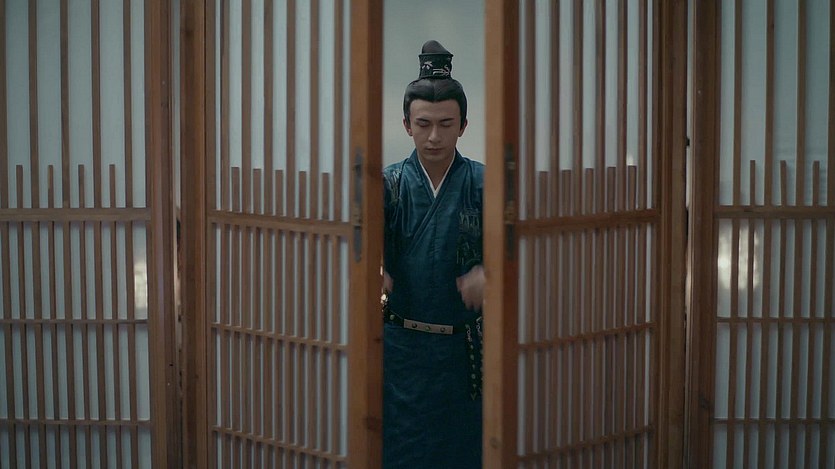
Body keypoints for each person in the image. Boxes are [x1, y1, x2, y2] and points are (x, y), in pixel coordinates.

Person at [382, 40, 485, 469]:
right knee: (402, 450)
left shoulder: (484, 183)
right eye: (423, 124)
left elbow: (522, 251)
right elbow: (362, 246)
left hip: (464, 350)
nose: (435, 136)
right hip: (402, 347)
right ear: (407, 125)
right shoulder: (390, 185)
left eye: (447, 124)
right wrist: (375, 270)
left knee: (464, 451)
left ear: (464, 125)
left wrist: (492, 272)